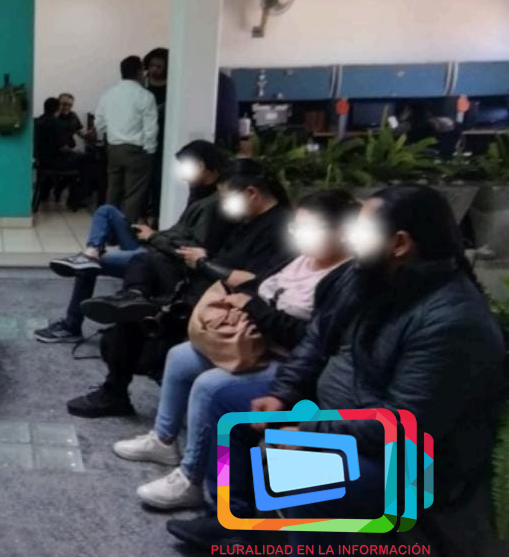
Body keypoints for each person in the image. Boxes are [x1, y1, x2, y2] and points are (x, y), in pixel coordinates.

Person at [226, 186, 503, 557]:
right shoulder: (366, 277)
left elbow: (404, 425)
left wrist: (308, 433)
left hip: (409, 460)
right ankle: (236, 521)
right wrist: (284, 396)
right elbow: (316, 342)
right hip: (339, 421)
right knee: (232, 406)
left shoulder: (453, 321)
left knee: (308, 476)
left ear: (400, 243)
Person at [113, 189, 357, 512]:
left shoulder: (342, 279)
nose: (300, 236)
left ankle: (193, 478)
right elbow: (258, 286)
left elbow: (309, 339)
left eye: (309, 228)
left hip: (287, 360)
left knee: (211, 388)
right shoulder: (300, 259)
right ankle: (163, 440)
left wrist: (254, 308)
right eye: (297, 228)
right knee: (181, 356)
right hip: (255, 343)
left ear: (342, 231)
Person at [69, 159, 292, 418]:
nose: (225, 206)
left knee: (133, 320)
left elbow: (257, 281)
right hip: (207, 283)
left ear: (251, 193)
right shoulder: (247, 221)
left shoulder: (280, 228)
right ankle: (132, 296)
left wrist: (204, 263)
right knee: (146, 262)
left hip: (229, 302)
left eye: (228, 199)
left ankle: (116, 392)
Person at [35, 140, 226, 343]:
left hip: (163, 262)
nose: (184, 176)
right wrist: (154, 234)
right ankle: (91, 252)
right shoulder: (199, 193)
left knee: (88, 268)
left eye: (187, 168)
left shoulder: (213, 205)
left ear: (202, 167)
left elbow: (192, 250)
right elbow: (181, 233)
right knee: (107, 211)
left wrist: (153, 236)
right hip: (156, 249)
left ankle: (71, 326)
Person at [96, 55, 159, 221]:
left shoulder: (108, 95)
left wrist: (113, 133)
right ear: (139, 71)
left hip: (114, 149)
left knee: (113, 190)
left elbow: (99, 123)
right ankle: (125, 230)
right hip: (137, 151)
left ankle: (108, 228)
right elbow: (151, 128)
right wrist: (150, 151)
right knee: (133, 194)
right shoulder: (145, 96)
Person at [34, 97, 87, 209]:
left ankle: (60, 187)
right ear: (58, 107)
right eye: (63, 104)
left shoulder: (38, 121)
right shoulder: (56, 123)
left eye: (70, 105)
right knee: (84, 161)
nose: (66, 107)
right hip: (55, 160)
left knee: (78, 158)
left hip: (41, 160)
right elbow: (63, 147)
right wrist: (74, 151)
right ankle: (73, 200)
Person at [143, 48, 169, 221]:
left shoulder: (172, 87)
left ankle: (158, 216)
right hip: (143, 138)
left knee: (159, 179)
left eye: (159, 66)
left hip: (163, 137)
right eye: (152, 65)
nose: (154, 69)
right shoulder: (142, 85)